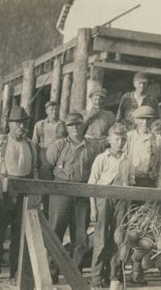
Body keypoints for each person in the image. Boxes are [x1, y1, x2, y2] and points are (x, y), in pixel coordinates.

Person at [0, 106, 38, 284]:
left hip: (23, 192)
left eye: (24, 123)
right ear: (10, 125)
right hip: (1, 193)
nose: (21, 126)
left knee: (19, 235)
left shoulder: (30, 145)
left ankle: (16, 273)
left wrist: (34, 191)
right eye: (18, 123)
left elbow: (34, 170)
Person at [46, 112, 103, 283]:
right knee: (55, 231)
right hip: (61, 190)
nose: (75, 128)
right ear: (67, 128)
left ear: (83, 126)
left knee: (80, 234)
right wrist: (49, 194)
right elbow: (46, 168)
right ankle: (51, 272)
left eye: (78, 124)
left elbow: (97, 171)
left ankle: (75, 273)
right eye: (71, 125)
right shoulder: (59, 146)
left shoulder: (93, 147)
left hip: (82, 192)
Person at [88, 123, 135, 289]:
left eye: (123, 139)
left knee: (117, 239)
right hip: (103, 199)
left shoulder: (127, 160)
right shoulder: (102, 158)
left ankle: (113, 276)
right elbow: (92, 184)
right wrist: (93, 208)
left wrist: (127, 202)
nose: (120, 143)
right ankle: (96, 278)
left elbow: (130, 181)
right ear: (109, 140)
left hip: (121, 200)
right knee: (100, 239)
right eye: (117, 139)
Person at [125, 105, 161, 284]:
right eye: (141, 119)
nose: (145, 123)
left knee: (146, 227)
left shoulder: (158, 140)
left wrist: (159, 192)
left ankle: (138, 271)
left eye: (148, 119)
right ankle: (121, 270)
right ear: (135, 120)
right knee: (129, 225)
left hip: (149, 185)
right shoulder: (129, 138)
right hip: (130, 186)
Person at [32, 100, 67, 180]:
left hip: (60, 155)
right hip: (45, 156)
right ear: (46, 111)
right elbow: (35, 143)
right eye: (51, 109)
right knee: (45, 178)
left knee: (59, 177)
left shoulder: (64, 124)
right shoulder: (40, 125)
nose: (54, 112)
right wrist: (35, 160)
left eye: (56, 109)